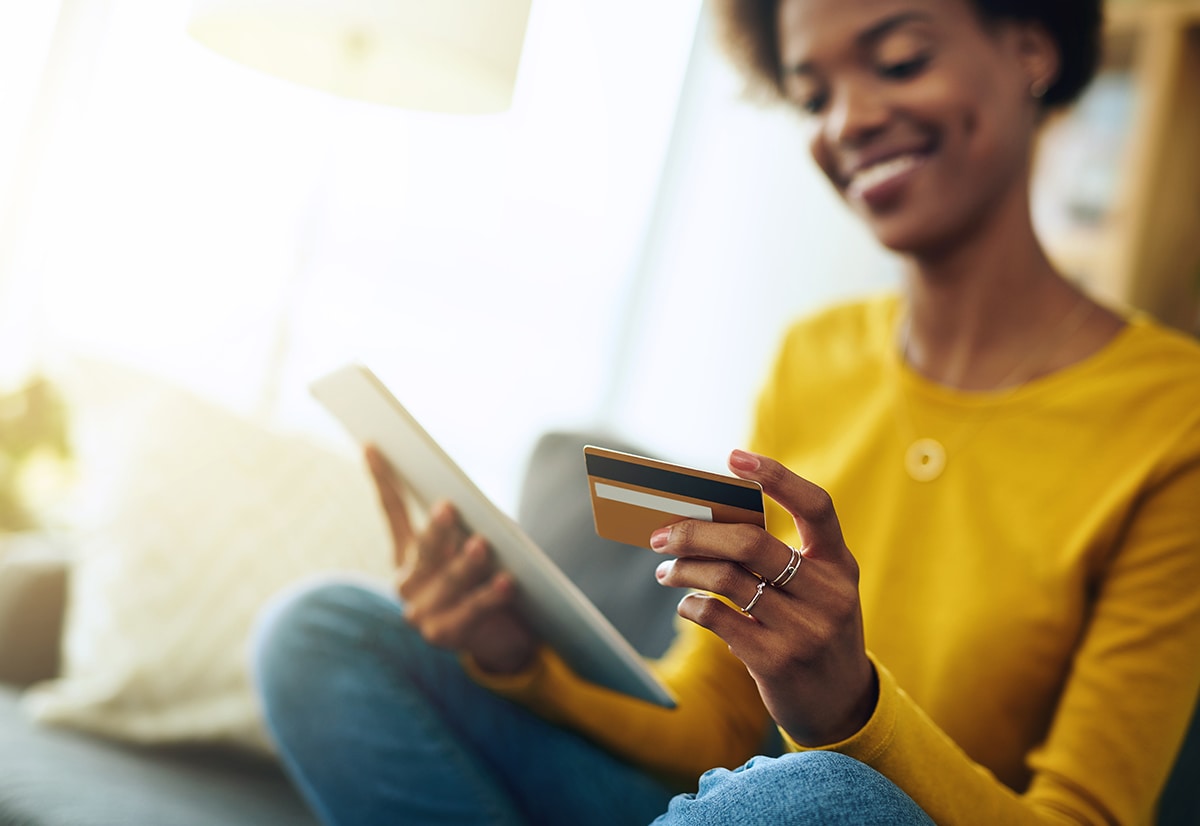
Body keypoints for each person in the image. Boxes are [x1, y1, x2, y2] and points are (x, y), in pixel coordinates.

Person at [251, 0, 1200, 823]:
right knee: (325, 630)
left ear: (1031, 47)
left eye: (900, 60)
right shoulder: (815, 356)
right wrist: (520, 659)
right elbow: (707, 720)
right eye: (814, 94)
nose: (850, 120)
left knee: (824, 795)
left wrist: (852, 717)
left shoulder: (1173, 417)